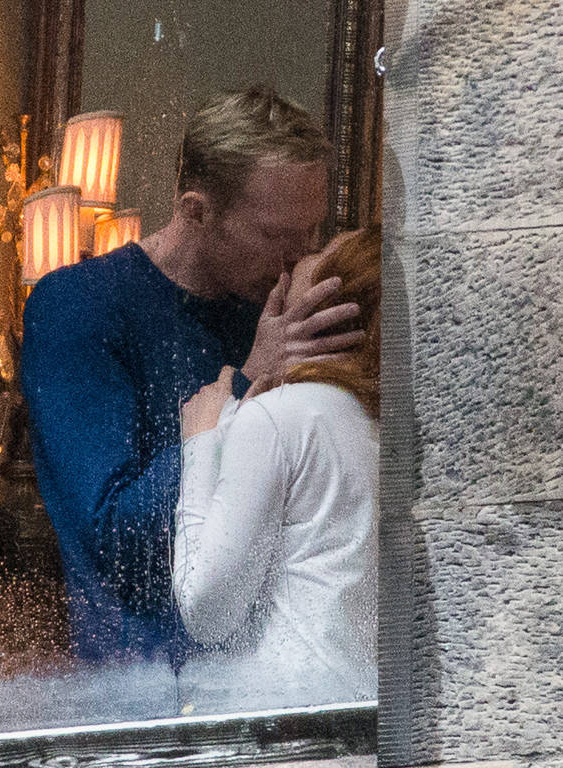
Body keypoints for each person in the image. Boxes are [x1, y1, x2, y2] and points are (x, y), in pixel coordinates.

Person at [21, 87, 364, 666]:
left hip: (278, 680)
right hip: (141, 689)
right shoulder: (78, 308)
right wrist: (248, 382)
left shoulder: (279, 310)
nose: (300, 258)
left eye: (311, 233)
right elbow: (114, 538)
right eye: (277, 236)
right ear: (196, 210)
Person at [172, 228, 380, 712]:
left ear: (331, 303)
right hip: (369, 708)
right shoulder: (388, 419)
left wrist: (200, 442)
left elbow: (207, 614)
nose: (301, 255)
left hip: (287, 712)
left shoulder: (281, 416)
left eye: (321, 250)